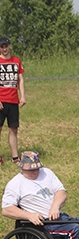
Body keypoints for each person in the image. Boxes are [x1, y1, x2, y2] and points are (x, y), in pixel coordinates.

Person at [0, 36, 26, 166]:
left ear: (9, 46)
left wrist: (23, 96)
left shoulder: (16, 61)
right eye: (2, 47)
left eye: (6, 46)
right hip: (1, 100)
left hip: (13, 100)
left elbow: (20, 79)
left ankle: (15, 157)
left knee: (13, 128)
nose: (4, 49)